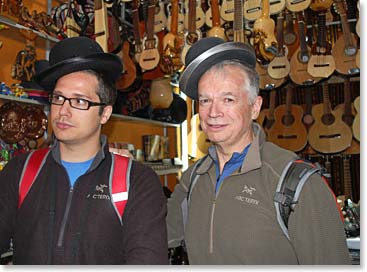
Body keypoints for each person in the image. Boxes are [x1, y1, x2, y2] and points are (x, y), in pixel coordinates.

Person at [166, 37, 350, 265]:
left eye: (228, 99)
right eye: (205, 100)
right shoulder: (193, 179)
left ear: (255, 107)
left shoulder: (296, 182)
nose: (213, 112)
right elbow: (153, 236)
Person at [0, 36, 168, 264]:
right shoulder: (20, 172)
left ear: (105, 113)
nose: (63, 111)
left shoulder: (136, 181)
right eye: (59, 98)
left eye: (80, 102)